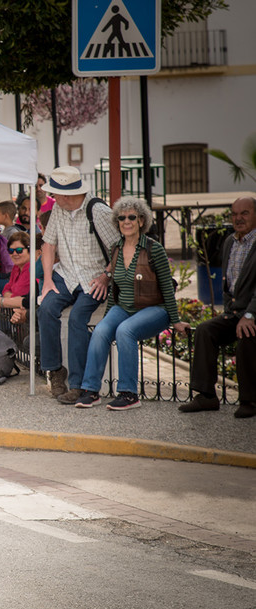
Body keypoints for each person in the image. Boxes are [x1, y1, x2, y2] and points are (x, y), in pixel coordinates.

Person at [74, 198, 179, 410]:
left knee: (125, 331)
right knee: (101, 331)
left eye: (132, 217)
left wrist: (175, 321)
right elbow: (115, 287)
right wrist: (107, 318)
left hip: (154, 308)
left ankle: (129, 394)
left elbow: (168, 287)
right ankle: (91, 391)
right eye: (122, 218)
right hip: (124, 308)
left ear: (141, 221)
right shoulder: (116, 248)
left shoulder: (153, 249)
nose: (126, 221)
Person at [38, 166, 118, 404]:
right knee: (46, 308)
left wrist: (106, 276)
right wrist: (48, 281)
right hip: (66, 275)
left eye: (56, 194)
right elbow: (48, 245)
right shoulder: (58, 210)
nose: (53, 198)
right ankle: (55, 370)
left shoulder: (99, 211)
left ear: (66, 194)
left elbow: (118, 248)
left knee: (77, 319)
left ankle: (79, 384)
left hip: (94, 278)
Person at [177, 197, 256, 419]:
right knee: (205, 330)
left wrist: (250, 314)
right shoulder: (230, 241)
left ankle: (249, 400)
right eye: (234, 214)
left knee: (247, 336)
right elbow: (228, 282)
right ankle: (206, 396)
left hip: (253, 314)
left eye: (245, 213)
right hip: (236, 313)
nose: (238, 218)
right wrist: (230, 308)